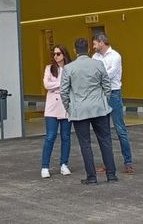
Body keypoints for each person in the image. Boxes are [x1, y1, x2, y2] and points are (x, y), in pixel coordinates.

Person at [60, 38, 117, 185]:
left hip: (79, 111)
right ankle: (111, 175)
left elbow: (64, 92)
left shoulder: (69, 68)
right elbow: (107, 86)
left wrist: (69, 108)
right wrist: (104, 100)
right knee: (105, 141)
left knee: (85, 144)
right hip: (99, 108)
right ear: (88, 49)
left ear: (75, 50)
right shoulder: (98, 64)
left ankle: (91, 177)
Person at [92, 34, 133, 173]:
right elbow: (93, 74)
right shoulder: (95, 57)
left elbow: (109, 75)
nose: (93, 47)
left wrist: (97, 77)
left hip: (114, 93)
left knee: (120, 129)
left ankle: (128, 162)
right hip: (101, 94)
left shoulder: (115, 56)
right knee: (104, 131)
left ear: (102, 43)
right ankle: (107, 163)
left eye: (95, 44)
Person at [40, 45, 72, 178]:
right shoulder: (49, 68)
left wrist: (56, 85)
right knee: (50, 136)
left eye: (58, 54)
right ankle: (45, 166)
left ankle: (64, 164)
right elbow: (46, 85)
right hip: (52, 106)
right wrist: (62, 83)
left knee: (66, 137)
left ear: (64, 54)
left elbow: (72, 84)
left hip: (65, 105)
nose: (55, 56)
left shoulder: (70, 68)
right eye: (54, 54)